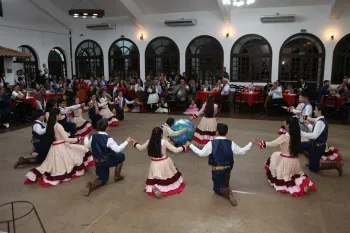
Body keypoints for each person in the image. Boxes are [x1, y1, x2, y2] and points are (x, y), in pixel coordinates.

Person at [24, 108, 94, 187]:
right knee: (81, 150)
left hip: (54, 147)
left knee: (49, 165)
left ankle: (31, 170)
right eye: (60, 114)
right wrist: (78, 139)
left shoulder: (51, 124)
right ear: (57, 115)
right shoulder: (57, 125)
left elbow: (63, 135)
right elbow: (66, 139)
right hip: (61, 147)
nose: (61, 115)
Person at [187, 123, 252, 206]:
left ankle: (227, 192)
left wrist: (191, 145)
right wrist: (250, 143)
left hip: (217, 170)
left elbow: (201, 153)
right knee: (225, 179)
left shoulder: (211, 143)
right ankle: (226, 186)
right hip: (228, 168)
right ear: (226, 132)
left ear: (216, 132)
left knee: (216, 189)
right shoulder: (230, 143)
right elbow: (241, 151)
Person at [252, 117, 316, 197]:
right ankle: (302, 183)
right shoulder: (297, 135)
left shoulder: (285, 137)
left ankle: (297, 186)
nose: (283, 125)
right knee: (293, 173)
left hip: (286, 161)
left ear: (288, 126)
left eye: (285, 124)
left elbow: (272, 143)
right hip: (295, 161)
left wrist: (258, 142)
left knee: (276, 160)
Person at [131, 127, 188, 199]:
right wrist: (185, 146)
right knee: (166, 177)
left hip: (154, 163)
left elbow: (141, 148)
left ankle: (155, 186)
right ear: (161, 134)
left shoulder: (149, 141)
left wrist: (134, 142)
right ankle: (161, 188)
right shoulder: (164, 142)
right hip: (165, 162)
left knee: (155, 177)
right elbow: (175, 150)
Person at [83, 119, 132, 196]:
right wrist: (126, 141)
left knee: (103, 179)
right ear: (106, 127)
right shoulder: (108, 138)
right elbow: (118, 149)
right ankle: (117, 176)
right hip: (107, 160)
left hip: (97, 162)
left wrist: (86, 138)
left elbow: (87, 145)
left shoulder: (93, 137)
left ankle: (91, 186)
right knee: (121, 155)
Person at [300, 104, 343, 176]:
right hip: (314, 144)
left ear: (320, 111)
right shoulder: (320, 120)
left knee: (313, 168)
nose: (314, 111)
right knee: (299, 145)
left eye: (315, 109)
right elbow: (317, 131)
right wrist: (308, 125)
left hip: (318, 147)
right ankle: (312, 160)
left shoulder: (320, 122)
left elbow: (314, 135)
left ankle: (336, 164)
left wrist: (301, 133)